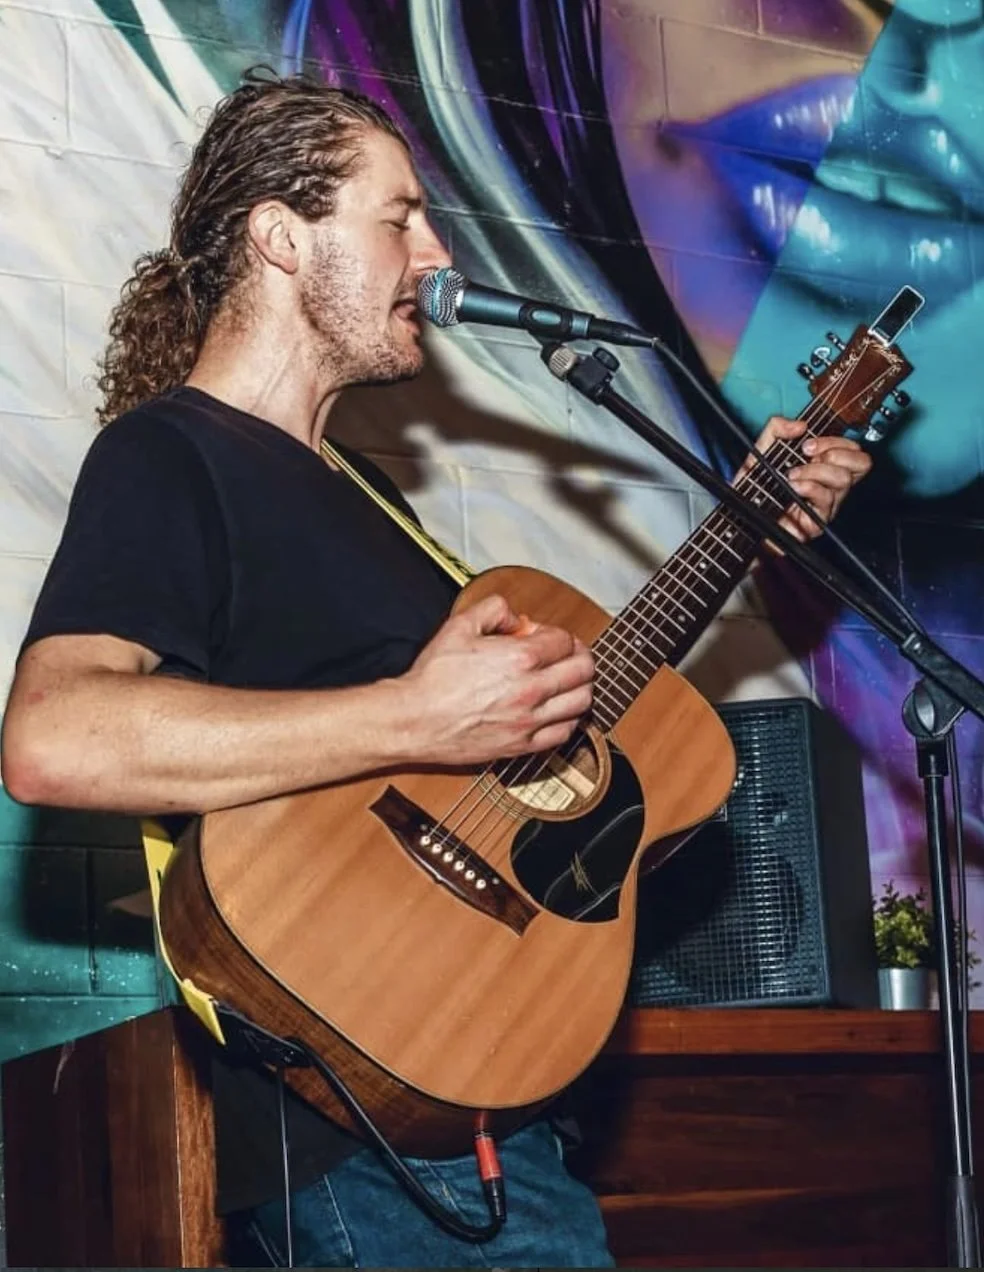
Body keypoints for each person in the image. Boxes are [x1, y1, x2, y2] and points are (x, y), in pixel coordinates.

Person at [0, 70, 872, 1267]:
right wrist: (415, 715)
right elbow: (54, 738)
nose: (435, 251)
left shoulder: (368, 494)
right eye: (399, 216)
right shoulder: (170, 455)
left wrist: (744, 522)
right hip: (355, 1126)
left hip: (479, 1089)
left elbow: (528, 732)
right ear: (281, 238)